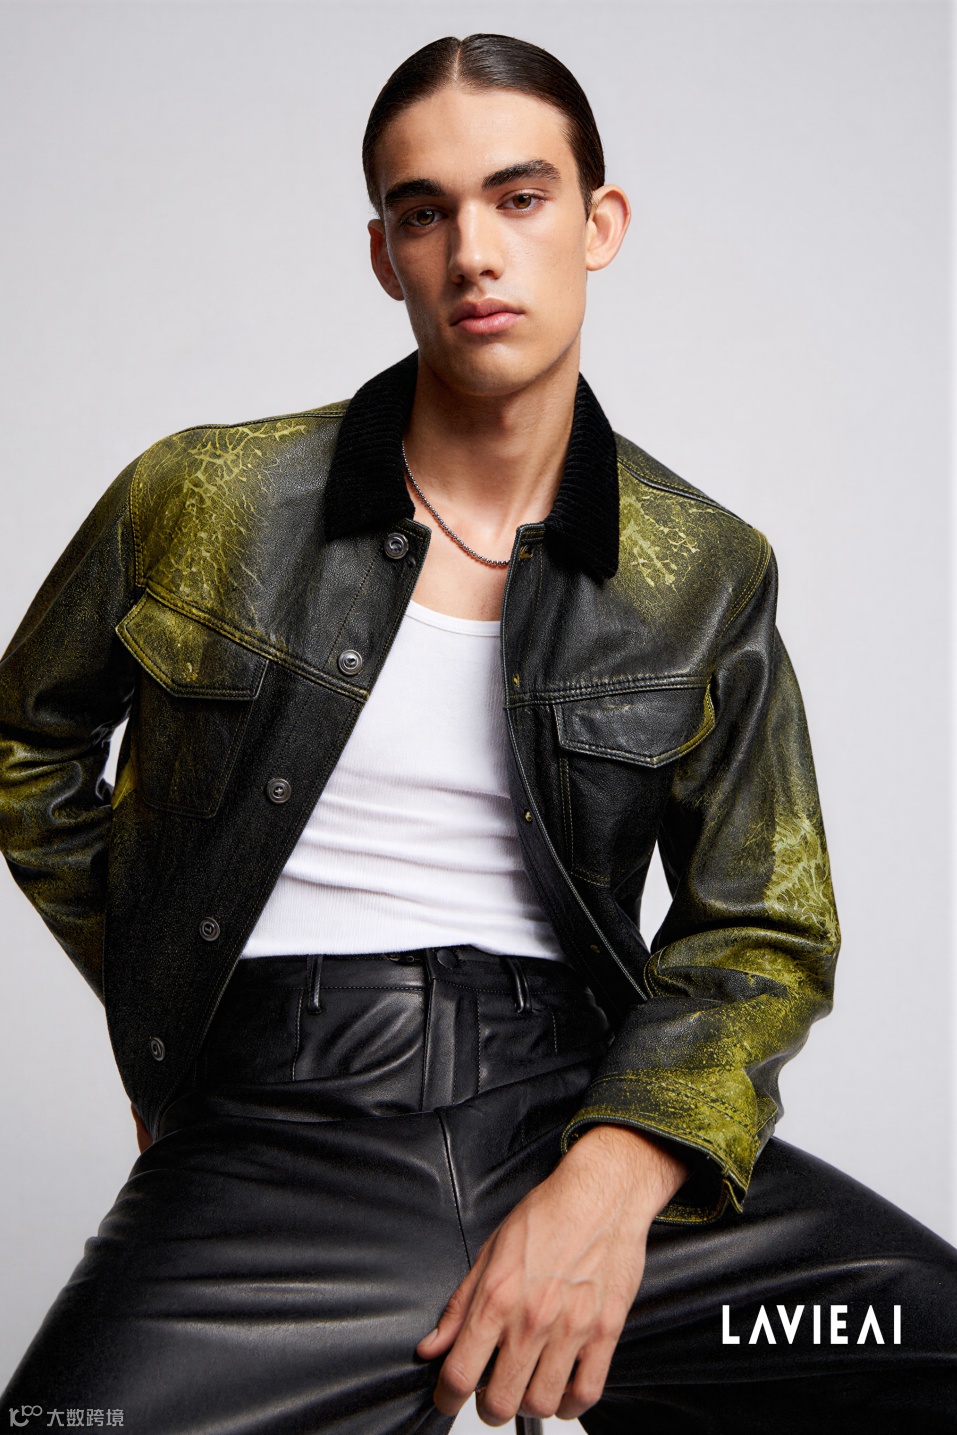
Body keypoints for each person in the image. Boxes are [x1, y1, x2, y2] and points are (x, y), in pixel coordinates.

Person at [1, 32, 955, 1435]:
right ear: (383, 254)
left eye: (519, 197)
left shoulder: (701, 567)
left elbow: (764, 925)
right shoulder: (203, 495)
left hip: (582, 1114)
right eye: (424, 213)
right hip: (274, 1141)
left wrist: (612, 1181)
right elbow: (20, 743)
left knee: (922, 1342)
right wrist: (169, 984)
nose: (474, 253)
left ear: (598, 223)